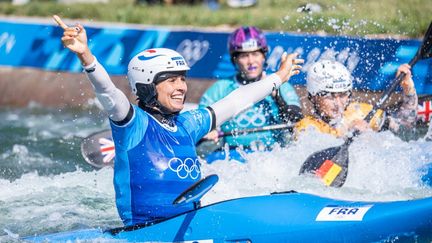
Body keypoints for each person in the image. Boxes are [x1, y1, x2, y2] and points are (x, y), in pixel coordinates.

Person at [53, 15, 303, 226]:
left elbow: (236, 102)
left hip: (189, 225)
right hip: (145, 232)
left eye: (182, 79)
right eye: (171, 80)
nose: (182, 87)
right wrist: (86, 56)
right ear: (148, 87)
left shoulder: (188, 124)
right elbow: (108, 92)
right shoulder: (132, 124)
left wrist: (279, 77)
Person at [199, 26, 302, 161]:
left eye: (255, 54)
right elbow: (201, 121)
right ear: (235, 59)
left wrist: (278, 98)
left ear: (264, 56)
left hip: (274, 154)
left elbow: (297, 119)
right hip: (232, 155)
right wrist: (209, 130)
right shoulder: (220, 88)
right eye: (244, 55)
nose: (251, 61)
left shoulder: (282, 85)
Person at [295, 59, 417, 138]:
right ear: (313, 97)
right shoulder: (307, 128)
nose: (338, 104)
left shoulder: (362, 112)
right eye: (330, 96)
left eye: (343, 94)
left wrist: (408, 89)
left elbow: (405, 130)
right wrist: (349, 133)